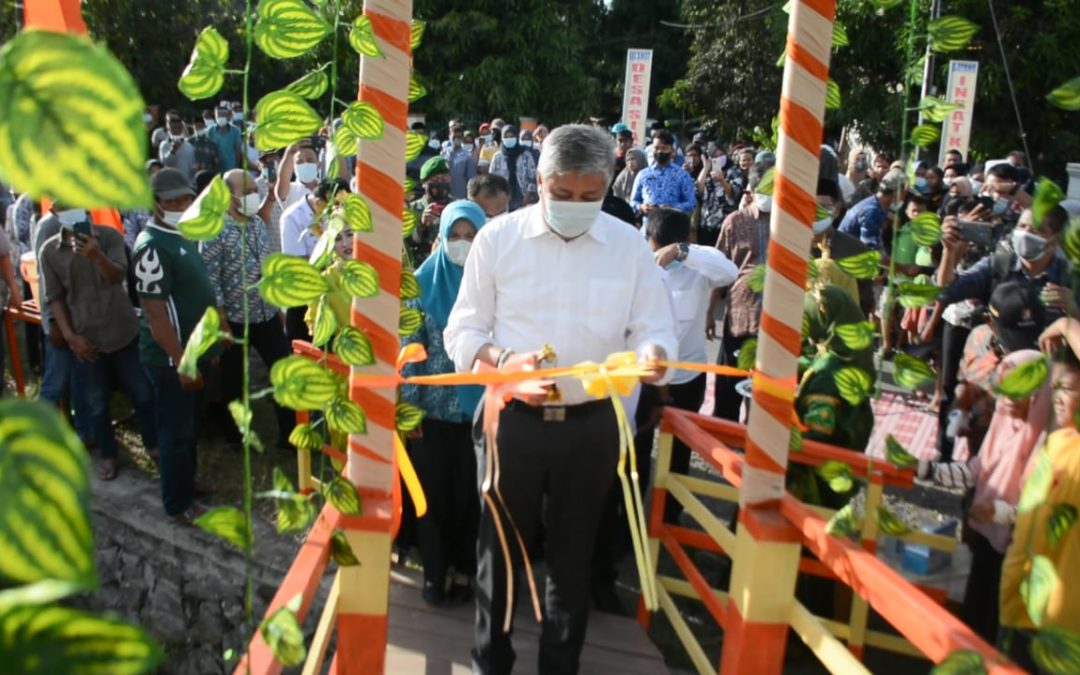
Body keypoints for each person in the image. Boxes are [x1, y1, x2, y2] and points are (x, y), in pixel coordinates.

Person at [444, 124, 677, 675]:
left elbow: (653, 326)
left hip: (591, 423)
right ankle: (489, 661)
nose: (577, 206)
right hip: (512, 422)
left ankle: (560, 665)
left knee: (573, 558)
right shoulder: (497, 240)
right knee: (498, 553)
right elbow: (463, 332)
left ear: (606, 187)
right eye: (563, 195)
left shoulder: (627, 246)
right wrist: (503, 362)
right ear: (539, 184)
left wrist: (653, 353)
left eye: (590, 196)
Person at [401, 200, 487, 607]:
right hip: (430, 414)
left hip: (479, 412)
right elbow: (408, 350)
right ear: (440, 237)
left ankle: (465, 569)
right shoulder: (419, 285)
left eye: (471, 237)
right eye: (455, 236)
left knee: (470, 496)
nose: (462, 244)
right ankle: (435, 574)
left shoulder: (492, 286)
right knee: (433, 497)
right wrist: (409, 408)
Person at [39, 208, 157, 480]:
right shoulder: (50, 251)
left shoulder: (109, 237)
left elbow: (117, 276)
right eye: (66, 207)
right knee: (96, 402)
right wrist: (70, 337)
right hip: (86, 338)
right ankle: (109, 454)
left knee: (142, 391)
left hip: (123, 332)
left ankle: (153, 446)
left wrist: (95, 255)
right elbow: (54, 298)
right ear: (56, 212)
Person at [132, 169, 219, 522]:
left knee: (189, 426)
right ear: (155, 204)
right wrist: (181, 360)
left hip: (195, 350)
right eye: (173, 201)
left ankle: (187, 481)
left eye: (186, 198)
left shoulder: (180, 233)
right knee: (174, 431)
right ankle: (178, 502)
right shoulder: (152, 247)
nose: (182, 205)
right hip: (172, 359)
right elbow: (155, 313)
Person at [995, 321, 1080, 667]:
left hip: (1062, 627)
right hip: (1019, 609)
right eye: (1055, 387)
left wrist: (1069, 325)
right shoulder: (1057, 442)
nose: (1058, 398)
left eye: (1070, 389)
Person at [960, 349, 1051, 643]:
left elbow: (1045, 505)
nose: (1008, 399)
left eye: (1019, 392)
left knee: (997, 626)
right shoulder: (1002, 422)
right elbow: (979, 467)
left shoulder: (1049, 444)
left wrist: (1002, 513)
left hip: (1021, 551)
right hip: (989, 536)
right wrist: (924, 469)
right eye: (1005, 389)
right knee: (975, 608)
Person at [202, 169, 295, 449]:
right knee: (234, 383)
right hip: (234, 319)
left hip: (265, 315)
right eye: (247, 192)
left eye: (255, 190)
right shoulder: (215, 230)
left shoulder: (256, 224)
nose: (254, 196)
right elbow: (210, 281)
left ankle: (289, 437)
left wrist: (277, 309)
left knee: (283, 372)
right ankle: (236, 437)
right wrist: (220, 323)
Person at [791, 285, 876, 506]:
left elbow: (816, 435)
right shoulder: (849, 355)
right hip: (844, 465)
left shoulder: (829, 375)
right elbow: (815, 361)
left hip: (816, 482)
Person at [711, 163, 771, 422]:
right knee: (730, 381)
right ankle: (725, 436)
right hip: (739, 315)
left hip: (776, 318)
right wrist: (708, 312)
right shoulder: (735, 221)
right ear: (753, 189)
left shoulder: (793, 223)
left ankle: (757, 434)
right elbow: (718, 271)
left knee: (766, 385)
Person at [34, 206, 93, 444]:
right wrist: (51, 323)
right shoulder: (48, 226)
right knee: (55, 382)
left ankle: (84, 433)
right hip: (60, 320)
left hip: (82, 316)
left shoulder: (84, 219)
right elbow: (43, 279)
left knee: (81, 382)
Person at [280, 178, 350, 340]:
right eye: (335, 205)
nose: (339, 210)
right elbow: (298, 264)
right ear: (319, 203)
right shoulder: (292, 218)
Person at [630, 129, 696, 225]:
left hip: (673, 228)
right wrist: (641, 207)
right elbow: (633, 201)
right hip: (648, 228)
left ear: (672, 150)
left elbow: (691, 203)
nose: (660, 151)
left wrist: (672, 208)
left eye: (664, 148)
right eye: (656, 148)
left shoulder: (682, 175)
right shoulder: (643, 174)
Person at [837, 169, 905, 251]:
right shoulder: (872, 211)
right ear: (896, 193)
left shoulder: (879, 206)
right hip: (844, 254)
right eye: (903, 192)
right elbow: (869, 248)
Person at [409, 157, 453, 265]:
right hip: (422, 267)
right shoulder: (412, 209)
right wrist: (421, 225)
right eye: (435, 180)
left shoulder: (457, 207)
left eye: (444, 180)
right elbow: (405, 244)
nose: (440, 183)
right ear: (424, 183)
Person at [490, 125, 539, 212]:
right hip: (504, 197)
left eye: (511, 136)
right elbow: (492, 179)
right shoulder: (497, 156)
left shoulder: (526, 154)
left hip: (523, 196)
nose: (509, 139)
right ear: (502, 138)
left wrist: (528, 194)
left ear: (516, 137)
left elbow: (533, 176)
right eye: (506, 137)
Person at [442, 124, 478, 200]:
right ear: (449, 136)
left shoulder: (467, 157)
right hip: (443, 196)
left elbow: (471, 180)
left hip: (460, 197)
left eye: (459, 137)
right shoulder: (443, 154)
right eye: (454, 137)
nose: (456, 139)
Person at [158, 111, 196, 182]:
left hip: (187, 184)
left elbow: (193, 168)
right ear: (169, 128)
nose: (176, 130)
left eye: (179, 128)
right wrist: (173, 150)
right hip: (171, 184)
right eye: (174, 128)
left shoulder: (189, 145)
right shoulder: (164, 144)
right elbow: (164, 163)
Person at [207, 104, 244, 172]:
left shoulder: (235, 130)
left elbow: (238, 150)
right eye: (219, 115)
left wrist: (236, 166)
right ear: (215, 116)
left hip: (231, 167)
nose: (221, 117)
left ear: (228, 116)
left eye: (223, 114)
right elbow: (208, 148)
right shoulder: (211, 130)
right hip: (215, 168)